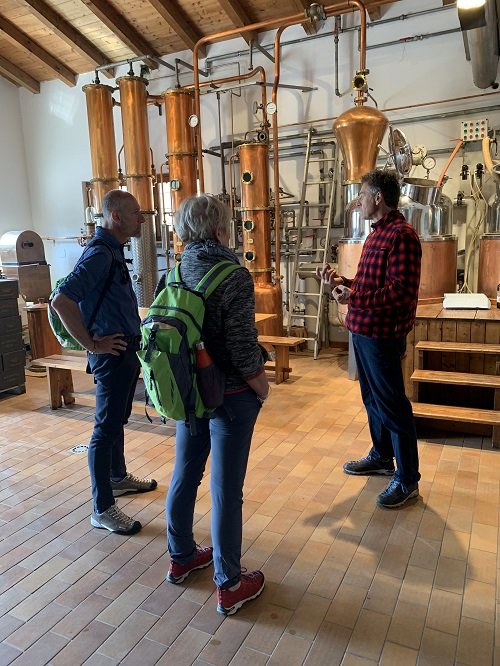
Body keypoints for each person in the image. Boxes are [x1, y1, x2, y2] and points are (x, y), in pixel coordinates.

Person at [164, 194, 269, 616]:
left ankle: (181, 557)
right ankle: (229, 584)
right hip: (230, 395)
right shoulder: (234, 275)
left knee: (185, 473)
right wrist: (262, 386)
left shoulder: (175, 271)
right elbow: (243, 348)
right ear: (221, 229)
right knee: (226, 488)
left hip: (188, 391)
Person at [51, 189, 157, 535]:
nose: (142, 220)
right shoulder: (99, 254)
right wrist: (92, 344)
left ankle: (117, 477)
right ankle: (102, 509)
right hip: (110, 355)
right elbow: (61, 301)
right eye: (136, 213)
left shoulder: (112, 251)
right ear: (116, 216)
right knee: (104, 429)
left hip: (123, 351)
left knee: (116, 421)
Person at [317, 170, 421, 508]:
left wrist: (354, 297)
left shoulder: (402, 237)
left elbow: (401, 293)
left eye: (362, 195)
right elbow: (369, 286)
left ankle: (407, 479)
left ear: (378, 198)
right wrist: (342, 282)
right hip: (363, 332)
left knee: (393, 405)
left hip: (382, 336)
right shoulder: (376, 235)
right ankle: (382, 456)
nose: (358, 201)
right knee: (372, 400)